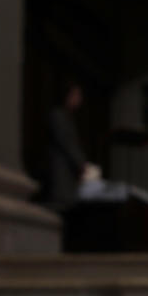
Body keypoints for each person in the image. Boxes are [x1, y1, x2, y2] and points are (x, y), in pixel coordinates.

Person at [45, 81, 100, 211]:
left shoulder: (69, 118)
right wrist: (83, 165)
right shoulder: (57, 115)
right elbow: (67, 143)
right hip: (61, 174)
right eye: (76, 95)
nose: (79, 99)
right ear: (68, 95)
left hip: (70, 177)